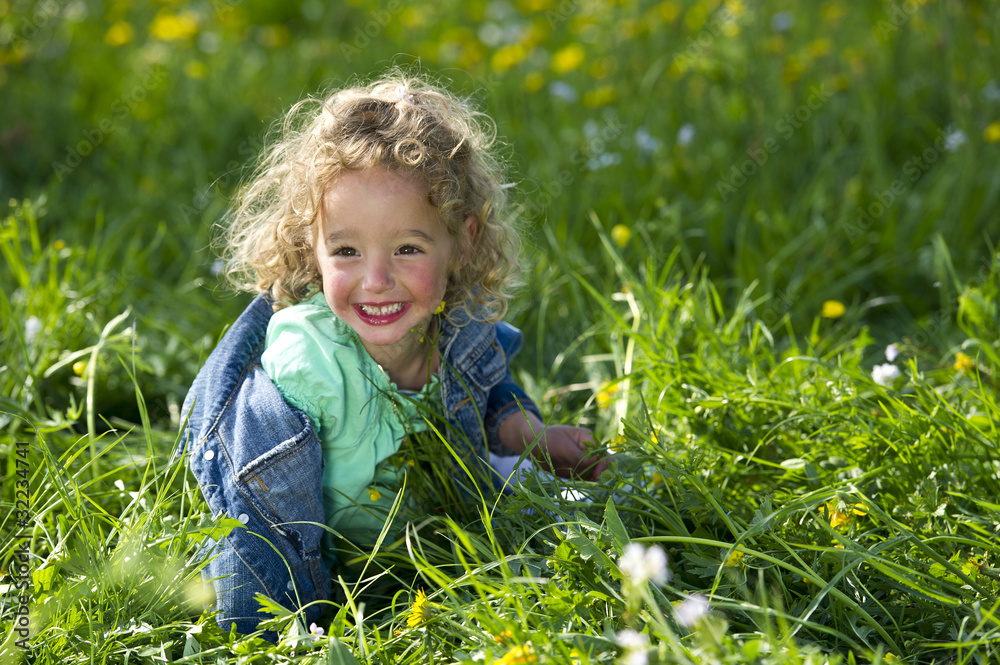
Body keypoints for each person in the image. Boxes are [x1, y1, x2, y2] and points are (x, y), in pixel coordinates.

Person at [179, 71, 607, 641]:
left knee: (583, 519)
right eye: (347, 250)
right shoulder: (309, 365)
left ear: (465, 242)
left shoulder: (458, 331)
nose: (376, 281)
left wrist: (529, 433)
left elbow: (487, 388)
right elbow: (261, 511)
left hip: (422, 551)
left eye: (407, 248)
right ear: (315, 248)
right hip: (316, 569)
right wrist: (285, 632)